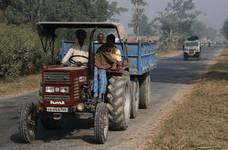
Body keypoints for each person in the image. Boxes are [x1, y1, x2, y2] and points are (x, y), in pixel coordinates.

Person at [93, 34, 122, 99]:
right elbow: (97, 56)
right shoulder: (102, 47)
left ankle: (101, 94)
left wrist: (115, 63)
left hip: (105, 66)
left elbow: (118, 60)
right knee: (94, 75)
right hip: (97, 64)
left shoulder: (116, 50)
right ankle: (95, 93)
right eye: (108, 41)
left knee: (102, 75)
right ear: (106, 41)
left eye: (111, 41)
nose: (110, 43)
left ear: (114, 42)